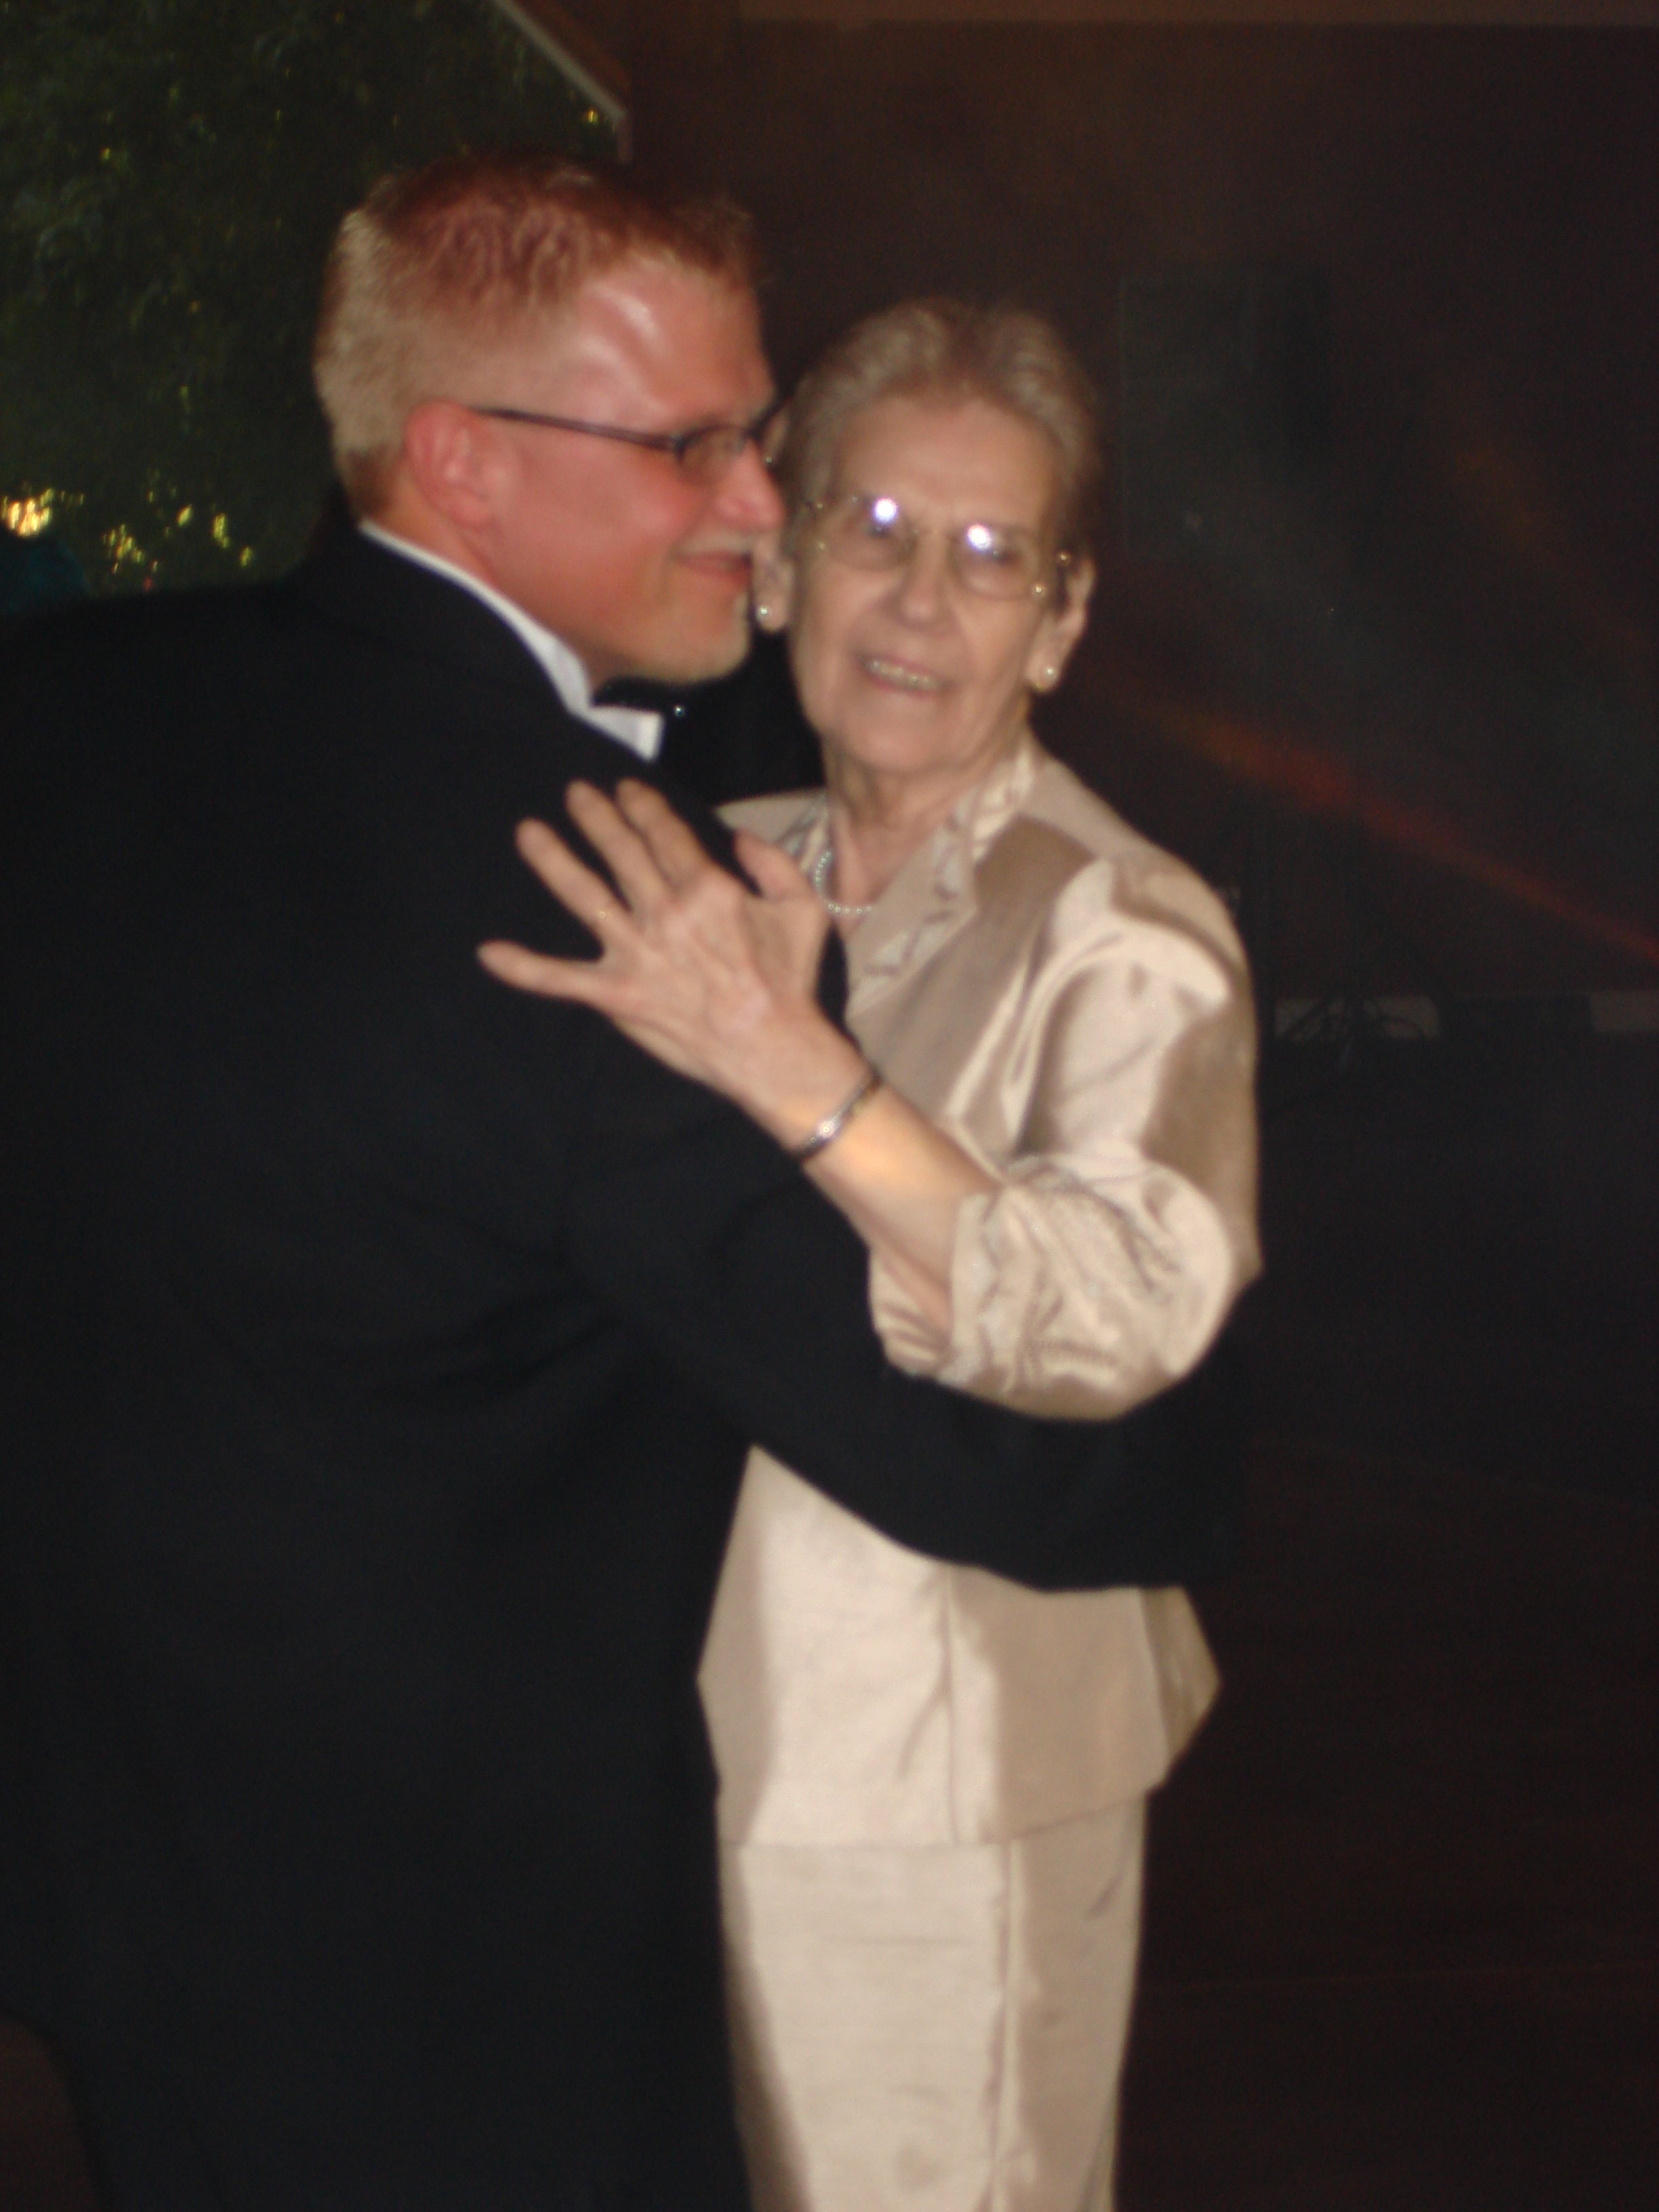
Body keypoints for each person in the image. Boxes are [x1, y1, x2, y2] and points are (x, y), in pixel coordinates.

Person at [0, 159, 1244, 2212]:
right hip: (441, 1955)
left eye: (760, 443)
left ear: (1064, 606)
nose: (755, 501)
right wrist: (1194, 1469)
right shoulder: (604, 887)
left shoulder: (72, 708)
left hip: (117, 1854)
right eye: (700, 448)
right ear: (462, 464)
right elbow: (936, 1429)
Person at [478, 299, 1260, 2212]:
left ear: (1060, 623)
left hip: (940, 1778)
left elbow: (1115, 1313)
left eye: (993, 556)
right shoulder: (712, 864)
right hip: (659, 1735)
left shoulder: (1125, 927)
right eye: (878, 527)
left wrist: (792, 1066)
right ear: (786, 565)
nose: (919, 600)